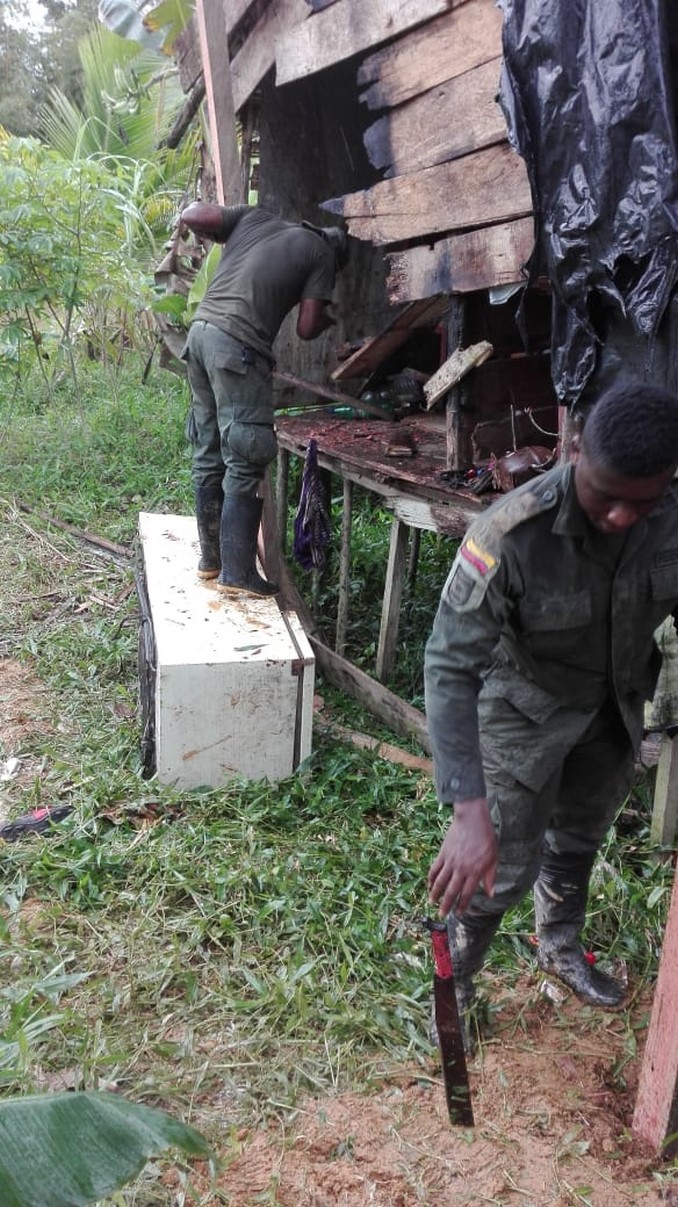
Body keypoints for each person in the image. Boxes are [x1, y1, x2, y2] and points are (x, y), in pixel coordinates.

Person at [424, 381, 678, 1047]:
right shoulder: (509, 534)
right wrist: (468, 809)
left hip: (612, 708)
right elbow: (449, 666)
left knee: (578, 838)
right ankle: (456, 984)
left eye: (642, 501)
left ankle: (560, 946)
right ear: (574, 448)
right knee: (497, 868)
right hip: (522, 714)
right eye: (606, 494)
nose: (621, 516)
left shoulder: (671, 514)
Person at [178, 202, 348, 597]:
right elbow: (307, 327)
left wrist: (218, 230)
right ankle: (237, 574)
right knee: (246, 449)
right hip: (236, 346)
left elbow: (192, 215)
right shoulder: (322, 254)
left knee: (209, 447)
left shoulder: (253, 217)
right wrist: (328, 316)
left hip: (199, 336)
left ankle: (211, 561)